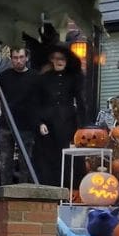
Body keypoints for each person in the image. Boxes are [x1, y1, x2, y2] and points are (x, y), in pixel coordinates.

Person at [36, 46, 86, 187]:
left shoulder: (74, 78)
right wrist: (40, 122)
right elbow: (37, 102)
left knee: (70, 157)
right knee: (49, 159)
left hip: (68, 123)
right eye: (55, 58)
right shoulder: (43, 79)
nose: (58, 62)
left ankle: (71, 189)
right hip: (48, 125)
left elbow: (81, 101)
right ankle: (50, 190)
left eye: (62, 59)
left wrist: (82, 126)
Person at [0, 47, 43, 183]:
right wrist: (1, 111)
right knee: (5, 160)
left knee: (25, 160)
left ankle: (23, 192)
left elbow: (39, 102)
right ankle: (4, 191)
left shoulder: (34, 77)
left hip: (26, 124)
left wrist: (39, 122)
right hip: (6, 123)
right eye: (15, 58)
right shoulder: (4, 76)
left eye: (21, 57)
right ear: (11, 59)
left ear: (26, 58)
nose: (18, 61)